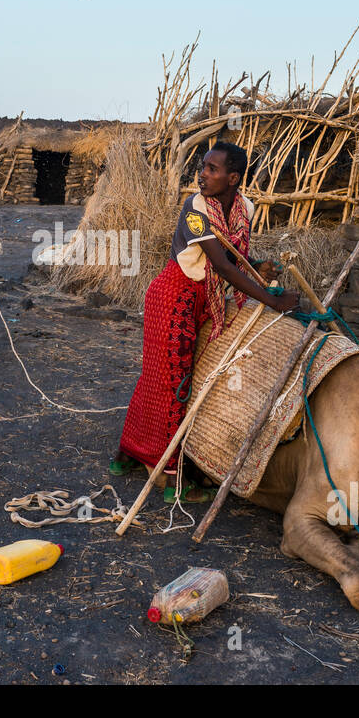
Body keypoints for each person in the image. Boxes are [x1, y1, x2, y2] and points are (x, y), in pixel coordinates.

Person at [112, 141, 301, 502]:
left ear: (233, 178)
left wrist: (258, 266)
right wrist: (272, 299)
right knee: (172, 382)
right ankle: (173, 481)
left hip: (203, 301)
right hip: (173, 297)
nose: (202, 174)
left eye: (212, 169)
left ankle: (127, 454)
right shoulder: (194, 209)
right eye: (202, 166)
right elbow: (221, 265)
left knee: (168, 378)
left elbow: (235, 254)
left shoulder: (244, 208)